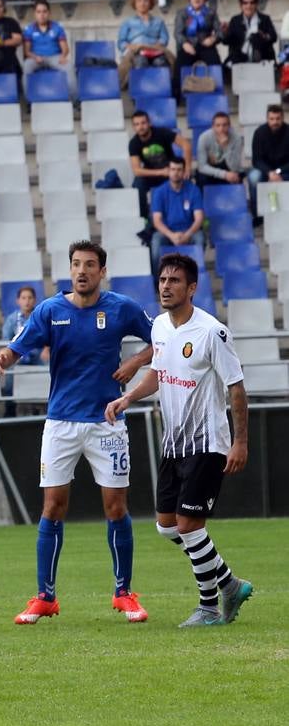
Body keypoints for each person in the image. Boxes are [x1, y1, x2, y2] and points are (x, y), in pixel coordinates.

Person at [0, 240, 154, 626]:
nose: (82, 271)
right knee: (52, 508)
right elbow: (18, 346)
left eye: (89, 265)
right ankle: (45, 597)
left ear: (101, 271)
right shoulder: (50, 310)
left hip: (107, 422)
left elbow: (161, 340)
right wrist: (2, 360)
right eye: (76, 264)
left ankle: (124, 593)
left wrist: (135, 362)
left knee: (116, 507)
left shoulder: (121, 307)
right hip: (60, 423)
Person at [105, 253, 254, 629]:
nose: (166, 286)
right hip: (174, 444)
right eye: (162, 280)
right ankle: (229, 582)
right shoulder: (159, 328)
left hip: (207, 442)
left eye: (174, 281)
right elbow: (158, 373)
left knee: (189, 525)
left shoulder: (211, 332)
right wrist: (127, 398)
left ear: (191, 288)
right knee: (167, 526)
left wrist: (240, 443)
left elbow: (235, 387)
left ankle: (208, 607)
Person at [129, 109, 192, 222]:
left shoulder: (162, 133)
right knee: (138, 184)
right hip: (152, 174)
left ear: (149, 123)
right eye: (137, 124)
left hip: (171, 171)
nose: (141, 127)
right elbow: (137, 170)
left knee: (187, 180)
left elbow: (185, 144)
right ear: (133, 127)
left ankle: (191, 214)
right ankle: (143, 218)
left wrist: (187, 168)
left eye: (143, 123)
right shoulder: (134, 143)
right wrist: (160, 172)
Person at [149, 159, 205, 272]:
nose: (175, 172)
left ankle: (196, 278)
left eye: (179, 169)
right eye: (173, 169)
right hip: (167, 233)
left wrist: (187, 235)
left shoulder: (193, 190)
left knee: (200, 238)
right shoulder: (160, 192)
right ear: (168, 171)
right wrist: (171, 235)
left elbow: (199, 218)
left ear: (184, 172)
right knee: (156, 241)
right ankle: (157, 281)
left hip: (188, 231)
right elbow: (157, 221)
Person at [0, 283, 46, 412]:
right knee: (10, 376)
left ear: (35, 300)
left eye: (30, 298)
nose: (27, 301)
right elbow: (6, 340)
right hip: (18, 355)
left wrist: (47, 349)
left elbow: (51, 334)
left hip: (36, 354)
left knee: (47, 369)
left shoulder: (40, 316)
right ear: (18, 300)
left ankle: (41, 409)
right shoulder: (12, 319)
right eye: (24, 298)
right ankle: (10, 410)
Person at [172, 0, 222, 97]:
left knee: (216, 64)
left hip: (206, 46)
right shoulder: (182, 13)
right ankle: (178, 97)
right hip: (188, 46)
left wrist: (213, 38)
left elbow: (220, 32)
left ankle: (216, 94)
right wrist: (184, 43)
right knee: (179, 66)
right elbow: (177, 33)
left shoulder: (211, 12)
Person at [118, 0, 173, 87]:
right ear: (134, 4)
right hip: (136, 52)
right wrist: (129, 46)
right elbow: (121, 42)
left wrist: (156, 45)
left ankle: (162, 91)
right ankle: (139, 93)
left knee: (161, 63)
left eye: (145, 1)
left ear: (150, 3)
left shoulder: (158, 21)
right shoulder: (128, 22)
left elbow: (164, 39)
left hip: (155, 50)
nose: (142, 4)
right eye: (139, 1)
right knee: (140, 61)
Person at [22, 0, 75, 98]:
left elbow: (65, 48)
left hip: (54, 57)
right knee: (26, 66)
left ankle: (73, 101)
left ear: (49, 13)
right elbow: (27, 51)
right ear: (35, 14)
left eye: (44, 11)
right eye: (38, 12)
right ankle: (28, 100)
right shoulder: (29, 29)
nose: (42, 15)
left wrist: (63, 56)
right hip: (36, 58)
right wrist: (35, 57)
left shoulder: (57, 27)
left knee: (69, 66)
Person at [224, 0, 277, 67]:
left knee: (256, 36)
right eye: (245, 3)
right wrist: (225, 32)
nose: (249, 6)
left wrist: (264, 36)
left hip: (262, 59)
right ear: (241, 5)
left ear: (256, 4)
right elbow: (227, 41)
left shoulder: (265, 19)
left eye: (252, 3)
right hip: (239, 60)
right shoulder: (235, 20)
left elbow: (273, 37)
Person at [194, 112, 245, 192]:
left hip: (229, 167)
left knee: (236, 177)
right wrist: (224, 175)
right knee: (201, 177)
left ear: (229, 126)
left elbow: (234, 167)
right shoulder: (204, 138)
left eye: (224, 125)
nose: (221, 129)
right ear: (213, 127)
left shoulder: (237, 138)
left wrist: (226, 147)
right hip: (210, 168)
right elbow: (202, 166)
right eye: (218, 125)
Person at [249, 104, 289, 203]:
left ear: (282, 118)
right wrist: (270, 172)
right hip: (264, 170)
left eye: (278, 119)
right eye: (272, 119)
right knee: (254, 177)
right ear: (267, 119)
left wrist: (278, 172)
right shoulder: (259, 133)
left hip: (284, 170)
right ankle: (257, 215)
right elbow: (256, 160)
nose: (275, 122)